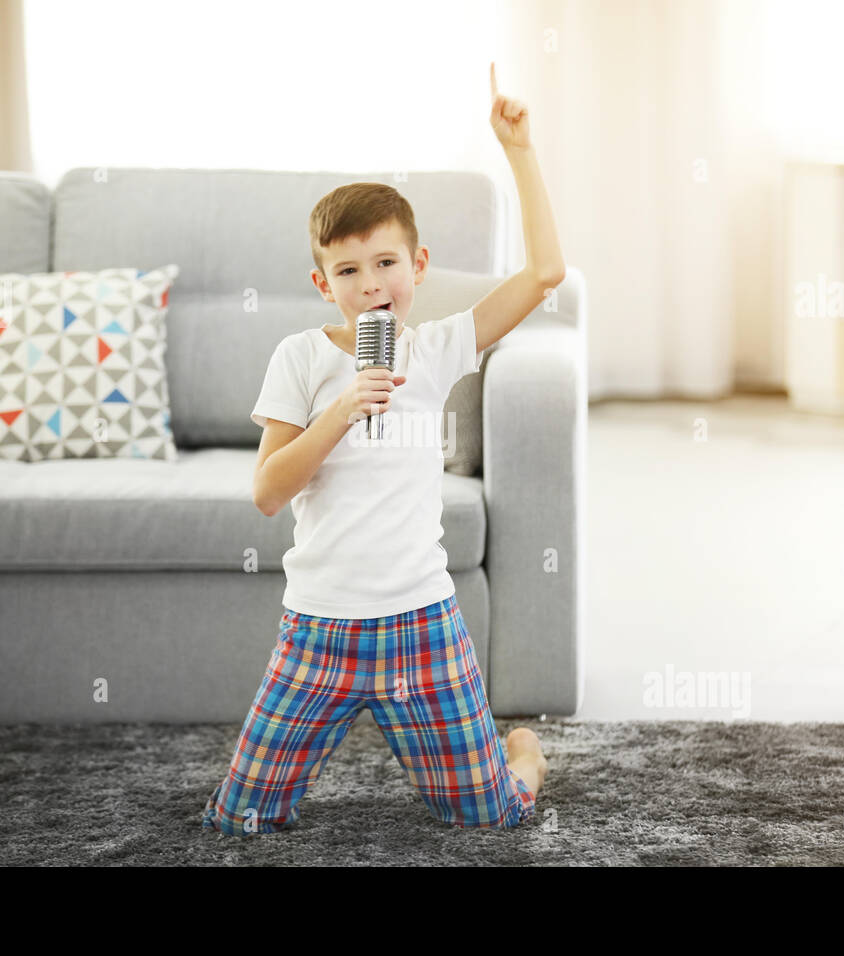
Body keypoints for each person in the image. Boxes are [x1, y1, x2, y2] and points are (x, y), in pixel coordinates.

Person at [202, 62, 565, 836]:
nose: (371, 284)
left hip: (420, 620)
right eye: (348, 270)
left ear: (419, 268)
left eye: (387, 263)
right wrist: (339, 411)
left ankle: (521, 753)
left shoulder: (437, 348)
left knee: (493, 816)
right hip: (320, 626)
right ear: (322, 281)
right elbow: (268, 492)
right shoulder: (300, 359)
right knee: (241, 822)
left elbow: (545, 274)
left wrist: (520, 150)